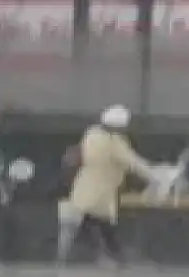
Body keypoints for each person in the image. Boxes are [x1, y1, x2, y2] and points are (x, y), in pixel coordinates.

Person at [62, 105, 160, 265]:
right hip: (102, 192)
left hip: (85, 187)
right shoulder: (114, 143)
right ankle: (106, 255)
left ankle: (92, 254)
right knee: (100, 223)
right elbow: (133, 162)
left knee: (95, 223)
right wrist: (154, 176)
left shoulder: (92, 134)